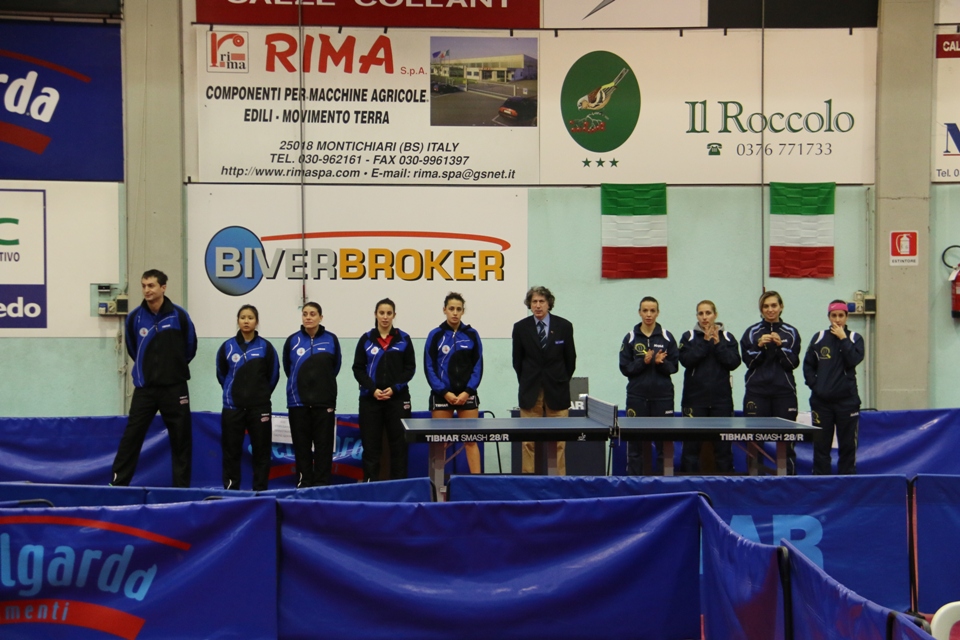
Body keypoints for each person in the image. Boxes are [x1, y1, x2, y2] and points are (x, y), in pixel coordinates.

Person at [110, 269, 197, 487]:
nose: (147, 290)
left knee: (181, 440)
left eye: (151, 285)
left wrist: (172, 369)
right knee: (132, 437)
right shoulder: (134, 318)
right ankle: (118, 484)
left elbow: (190, 348)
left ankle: (181, 489)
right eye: (144, 286)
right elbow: (132, 348)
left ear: (163, 287)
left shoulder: (179, 316)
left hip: (174, 389)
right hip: (145, 389)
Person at [512, 286, 576, 475]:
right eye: (534, 302)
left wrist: (560, 380)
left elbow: (570, 360)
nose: (538, 306)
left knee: (558, 443)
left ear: (549, 304)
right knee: (528, 443)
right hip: (530, 392)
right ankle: (528, 482)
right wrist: (528, 381)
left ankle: (559, 482)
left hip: (557, 391)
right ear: (529, 304)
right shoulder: (521, 328)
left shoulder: (564, 326)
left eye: (541, 301)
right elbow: (517, 362)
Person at [216, 304, 279, 491]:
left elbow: (273, 376)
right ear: (238, 321)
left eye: (250, 317)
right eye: (243, 317)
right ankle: (230, 488)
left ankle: (260, 489)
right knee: (231, 451)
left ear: (256, 322)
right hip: (232, 408)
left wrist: (259, 395)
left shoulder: (266, 347)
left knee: (261, 452)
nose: (246, 321)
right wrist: (234, 392)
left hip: (259, 409)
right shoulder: (227, 347)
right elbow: (222, 374)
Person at [353, 298, 416, 481]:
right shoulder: (366, 339)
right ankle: (371, 486)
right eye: (382, 313)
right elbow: (358, 369)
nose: (385, 317)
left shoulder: (404, 339)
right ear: (375, 314)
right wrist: (372, 389)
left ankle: (399, 487)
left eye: (389, 313)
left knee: (399, 447)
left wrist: (395, 389)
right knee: (371, 447)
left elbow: (409, 369)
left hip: (397, 400)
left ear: (394, 315)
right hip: (370, 400)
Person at [740, 291, 802, 474]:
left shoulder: (791, 332)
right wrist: (758, 346)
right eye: (766, 306)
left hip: (784, 393)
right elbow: (748, 362)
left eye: (774, 305)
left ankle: (788, 480)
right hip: (757, 393)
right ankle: (753, 482)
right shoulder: (752, 332)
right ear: (761, 309)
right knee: (754, 442)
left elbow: (792, 363)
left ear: (781, 307)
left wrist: (781, 346)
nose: (770, 310)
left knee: (787, 441)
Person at [424, 292, 484, 474]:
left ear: (463, 311)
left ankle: (477, 484)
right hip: (443, 396)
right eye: (451, 309)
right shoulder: (435, 335)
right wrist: (444, 393)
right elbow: (429, 367)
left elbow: (478, 366)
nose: (455, 313)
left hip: (467, 395)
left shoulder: (472, 335)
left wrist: (467, 391)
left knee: (471, 441)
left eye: (458, 309)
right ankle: (436, 485)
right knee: (439, 443)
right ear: (444, 310)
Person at [678, 300, 740, 473]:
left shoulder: (727, 337)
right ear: (697, 315)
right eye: (701, 313)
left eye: (708, 313)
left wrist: (718, 343)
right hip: (694, 401)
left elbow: (733, 362)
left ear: (715, 315)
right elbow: (685, 360)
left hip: (722, 401)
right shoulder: (688, 336)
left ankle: (727, 487)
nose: (704, 317)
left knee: (723, 450)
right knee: (691, 449)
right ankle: (688, 486)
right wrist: (705, 342)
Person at [283, 302, 341, 488]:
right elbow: (287, 368)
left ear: (320, 317)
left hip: (324, 403)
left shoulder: (331, 340)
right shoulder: (293, 341)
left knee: (324, 447)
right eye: (305, 314)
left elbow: (335, 367)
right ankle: (304, 482)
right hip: (297, 403)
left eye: (313, 314)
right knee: (302, 447)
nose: (308, 317)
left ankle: (322, 484)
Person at [803, 300, 864, 475]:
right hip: (822, 403)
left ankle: (847, 483)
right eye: (833, 315)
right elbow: (808, 366)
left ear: (846, 317)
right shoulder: (819, 338)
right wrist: (817, 387)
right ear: (829, 317)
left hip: (847, 403)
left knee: (847, 446)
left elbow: (853, 360)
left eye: (841, 316)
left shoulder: (854, 338)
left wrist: (843, 338)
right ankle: (821, 484)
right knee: (821, 447)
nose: (837, 320)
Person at [619, 296, 679, 475]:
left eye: (652, 310)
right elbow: (625, 368)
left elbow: (674, 367)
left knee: (664, 444)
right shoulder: (630, 337)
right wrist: (642, 362)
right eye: (645, 310)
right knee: (635, 445)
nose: (648, 314)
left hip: (663, 398)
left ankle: (664, 483)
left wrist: (661, 363)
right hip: (637, 397)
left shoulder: (667, 337)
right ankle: (634, 483)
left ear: (657, 313)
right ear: (639, 312)